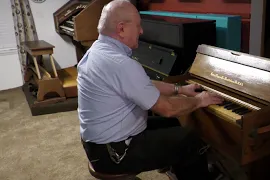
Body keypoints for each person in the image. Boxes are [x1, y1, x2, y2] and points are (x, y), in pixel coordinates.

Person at [77, 0, 224, 179]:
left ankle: (177, 167)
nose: (141, 31)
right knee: (190, 140)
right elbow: (168, 108)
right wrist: (200, 100)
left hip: (98, 145)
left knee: (173, 125)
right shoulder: (119, 63)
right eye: (138, 26)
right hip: (112, 153)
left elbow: (142, 85)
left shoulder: (98, 50)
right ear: (121, 29)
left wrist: (181, 89)